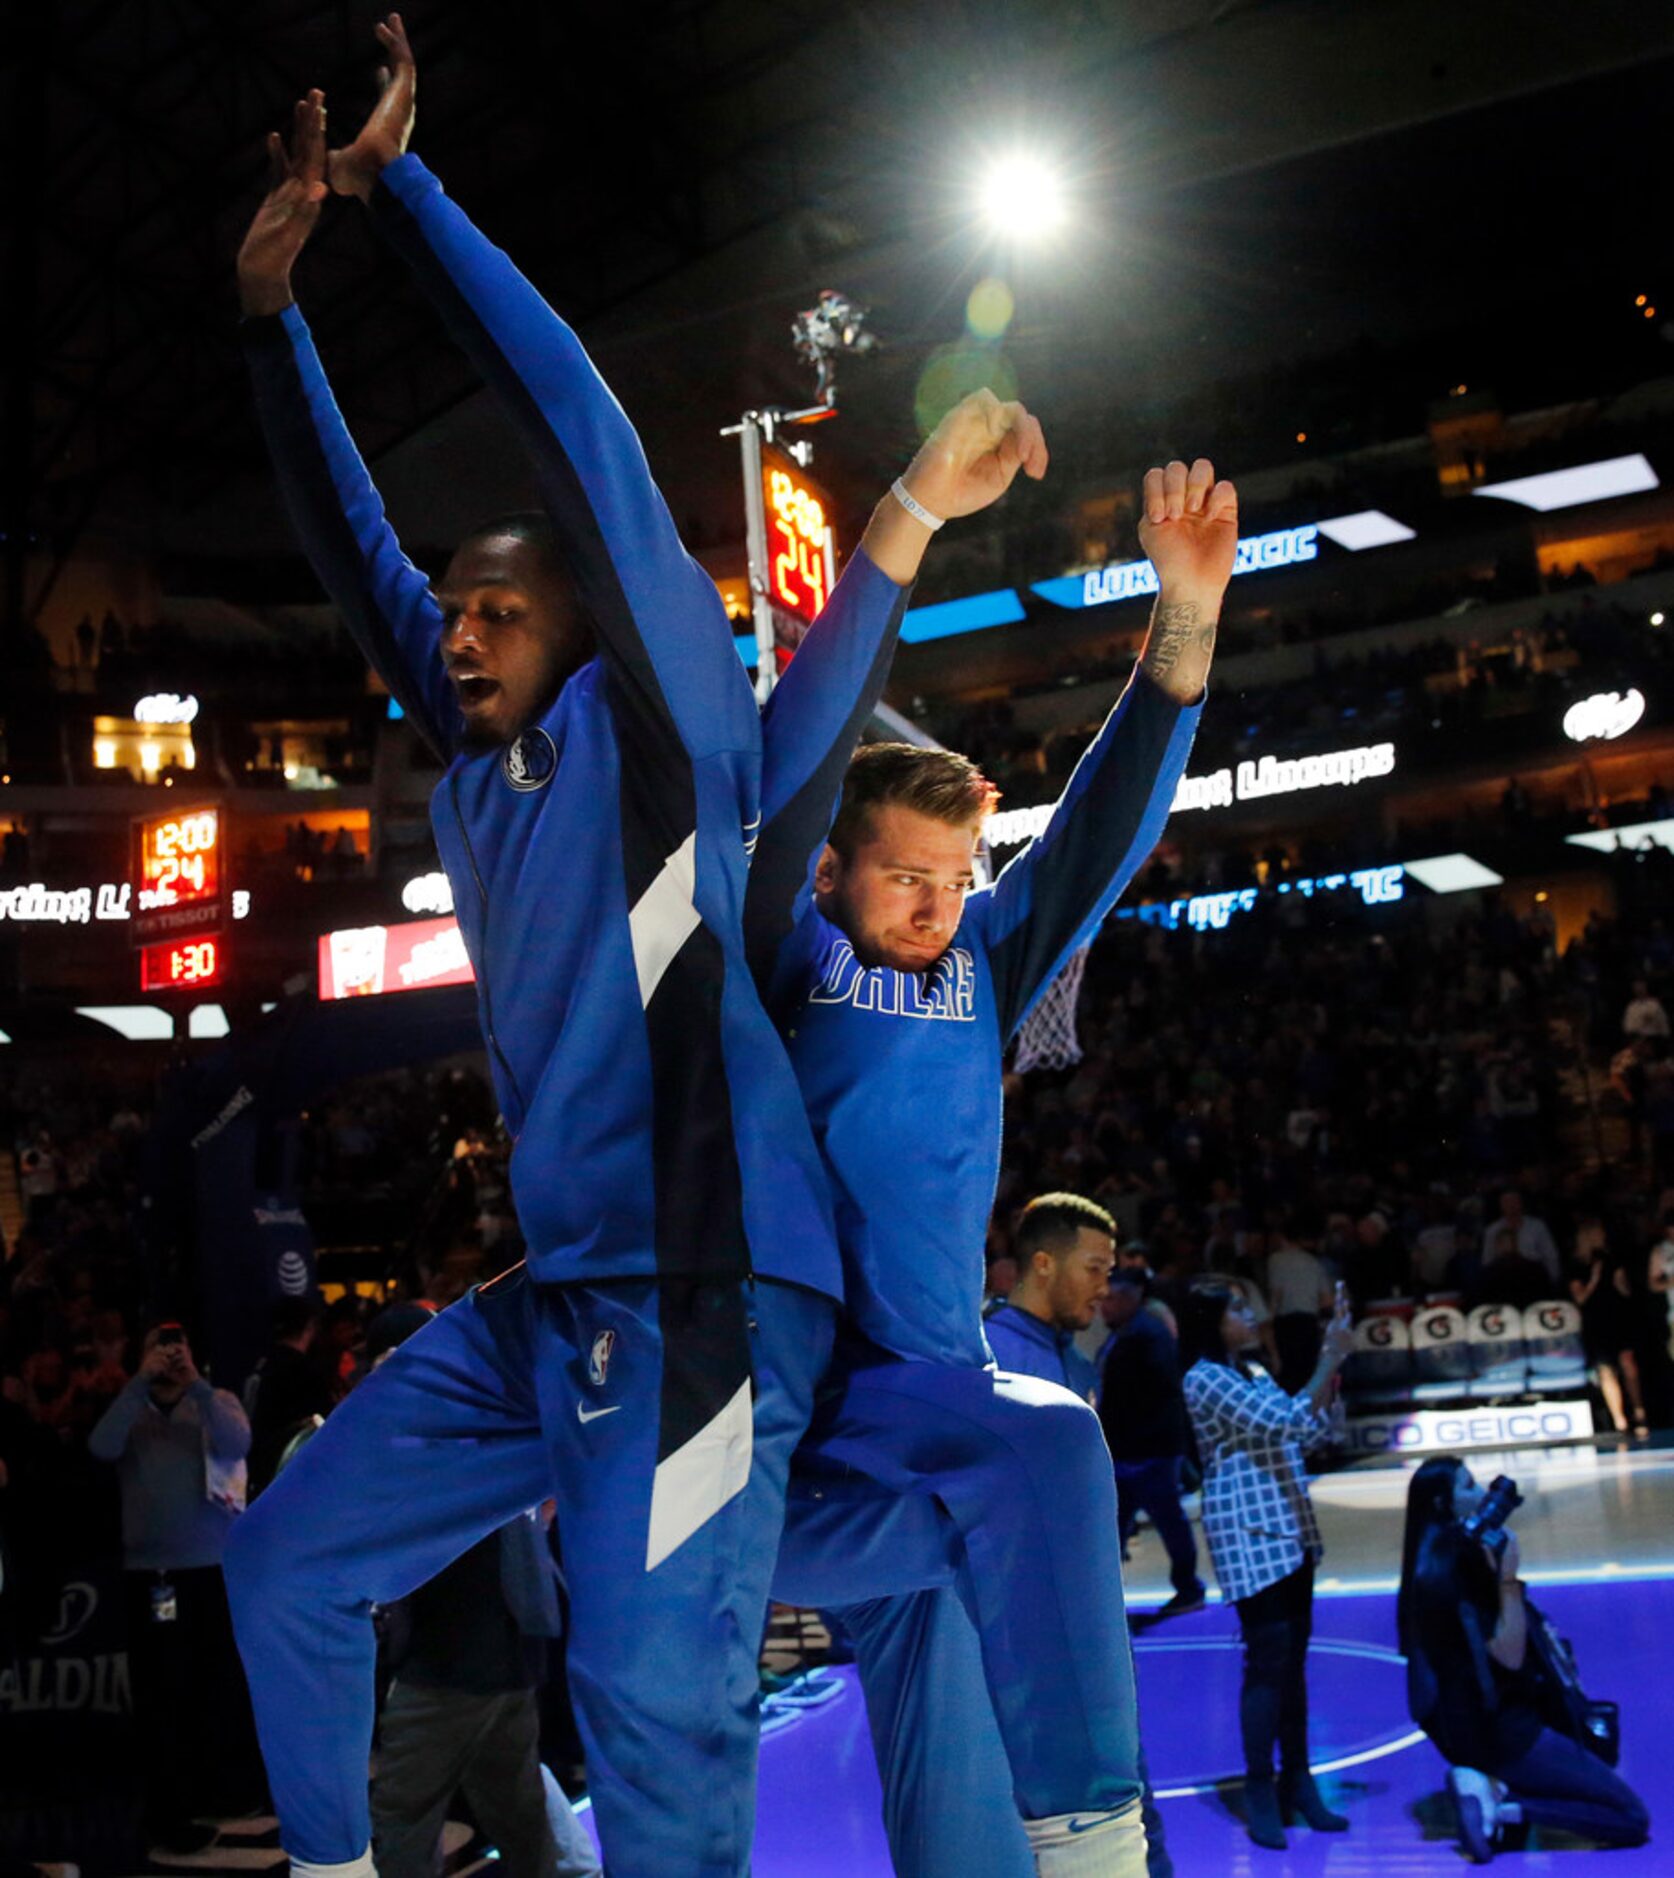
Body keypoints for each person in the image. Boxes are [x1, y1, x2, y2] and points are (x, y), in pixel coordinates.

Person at [225, 24, 1047, 1876]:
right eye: (455, 609)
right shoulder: (474, 754)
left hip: (700, 1288)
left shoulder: (659, 716)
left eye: (499, 605)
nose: (458, 628)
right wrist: (271, 309)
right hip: (563, 1288)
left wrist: (402, 193)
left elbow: (577, 422)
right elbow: (352, 540)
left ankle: (963, 1531)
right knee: (281, 1555)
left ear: (591, 618)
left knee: (648, 1697)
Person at [768, 453, 1231, 1876]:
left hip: (924, 1402)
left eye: (954, 875)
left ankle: (1085, 1837)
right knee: (1040, 1453)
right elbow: (781, 768)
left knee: (962, 1825)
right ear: (834, 870)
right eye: (903, 871)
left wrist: (1185, 620)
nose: (931, 901)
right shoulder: (786, 953)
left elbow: (1104, 822)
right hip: (787, 1404)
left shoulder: (980, 958)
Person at [1397, 1457, 1649, 1862]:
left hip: (1474, 1724)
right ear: (1445, 1504)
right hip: (1503, 1732)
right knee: (1630, 1818)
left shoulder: (1426, 1563)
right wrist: (1508, 1579)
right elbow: (1509, 1656)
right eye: (1467, 1488)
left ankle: (1491, 1783)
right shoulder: (1455, 1569)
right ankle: (1502, 1802)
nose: (1480, 1497)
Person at [1178, 1283, 1353, 1851]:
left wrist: (1334, 1366)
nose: (1252, 1316)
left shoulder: (1250, 1371)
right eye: (1238, 1309)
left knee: (1293, 1661)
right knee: (1268, 1662)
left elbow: (1306, 1427)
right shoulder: (1204, 1378)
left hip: (1291, 1528)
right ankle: (1259, 1786)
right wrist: (1328, 1356)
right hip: (1250, 1537)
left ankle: (1298, 1779)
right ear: (1211, 1320)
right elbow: (1280, 1423)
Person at [87, 1323, 261, 1856]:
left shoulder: (217, 1401)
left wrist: (199, 1386)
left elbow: (238, 1443)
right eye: (159, 1349)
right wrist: (138, 1383)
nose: (168, 1357)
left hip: (212, 1567)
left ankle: (220, 1789)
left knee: (216, 1684)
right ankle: (171, 1806)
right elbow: (100, 1447)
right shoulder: (130, 1407)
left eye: (176, 1347)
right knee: (165, 1694)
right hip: (152, 1573)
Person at [1097, 1268, 1205, 1621]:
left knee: (1164, 1519)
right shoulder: (1131, 1333)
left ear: (1130, 1298)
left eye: (1110, 1299)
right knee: (1121, 1524)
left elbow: (1153, 1395)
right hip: (1137, 1449)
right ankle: (1183, 1587)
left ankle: (1189, 1587)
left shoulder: (1145, 1336)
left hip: (1146, 1450)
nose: (1103, 1306)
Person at [983, 1192, 1117, 1400]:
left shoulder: (1080, 1365)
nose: (1104, 1289)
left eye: (1107, 1272)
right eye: (1094, 1269)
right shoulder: (981, 1357)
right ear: (1044, 1264)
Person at [246, 1297, 335, 1495]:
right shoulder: (302, 1370)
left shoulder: (262, 1364)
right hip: (292, 1473)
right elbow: (324, 1424)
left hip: (258, 1470)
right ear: (310, 1326)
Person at [1567, 1220, 1647, 1436]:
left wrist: (1620, 1281)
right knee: (1606, 1370)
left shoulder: (1612, 1259)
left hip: (1618, 1317)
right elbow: (1580, 1299)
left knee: (1628, 1363)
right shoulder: (1578, 1266)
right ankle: (1619, 1419)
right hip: (1596, 1321)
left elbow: (1626, 1292)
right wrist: (1594, 1278)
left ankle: (1639, 1412)